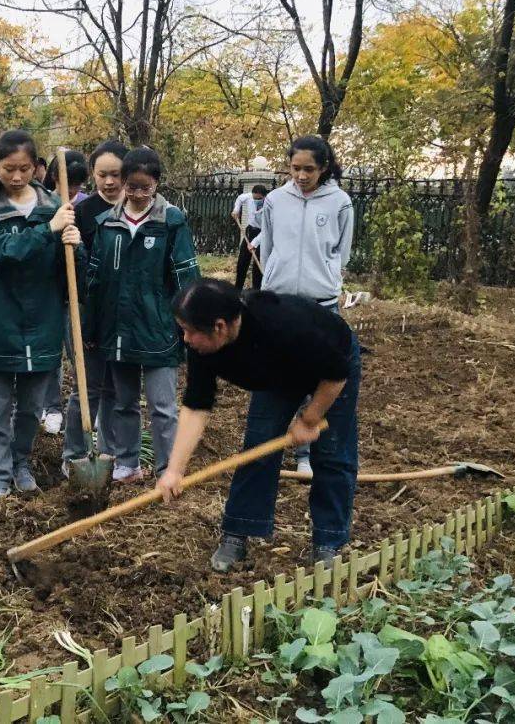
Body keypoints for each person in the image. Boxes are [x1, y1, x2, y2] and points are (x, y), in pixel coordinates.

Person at [158, 279, 361, 571]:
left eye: (190, 331)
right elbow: (196, 405)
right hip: (278, 374)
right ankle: (238, 532)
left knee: (332, 452)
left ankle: (328, 541)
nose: (185, 338)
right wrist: (175, 470)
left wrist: (309, 419)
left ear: (219, 327)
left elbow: (337, 372)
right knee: (260, 444)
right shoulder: (203, 347)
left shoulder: (283, 326)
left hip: (332, 363)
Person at [0, 130, 80, 503]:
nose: (16, 177)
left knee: (32, 407)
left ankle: (21, 463)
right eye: (8, 168)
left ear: (37, 168)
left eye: (24, 169)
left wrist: (76, 245)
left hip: (41, 319)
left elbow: (72, 267)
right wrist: (48, 230)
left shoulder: (54, 204)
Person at [82, 146, 199, 482]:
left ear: (156, 185)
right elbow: (95, 280)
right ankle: (127, 463)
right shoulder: (107, 224)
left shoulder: (171, 223)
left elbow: (186, 279)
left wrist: (186, 325)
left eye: (144, 188)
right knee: (123, 402)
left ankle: (167, 468)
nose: (136, 194)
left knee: (163, 407)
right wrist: (91, 329)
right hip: (118, 329)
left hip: (158, 328)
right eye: (130, 187)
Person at [260, 136, 354, 476]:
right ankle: (267, 454)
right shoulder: (273, 200)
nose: (301, 176)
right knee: (278, 380)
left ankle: (305, 453)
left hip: (321, 305)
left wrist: (326, 277)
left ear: (324, 167)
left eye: (309, 170)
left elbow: (341, 252)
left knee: (318, 383)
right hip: (281, 303)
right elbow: (268, 247)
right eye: (296, 168)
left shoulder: (340, 203)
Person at [61, 139, 128, 470]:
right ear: (93, 175)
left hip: (124, 316)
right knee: (85, 389)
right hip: (88, 312)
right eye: (103, 175)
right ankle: (73, 454)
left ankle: (109, 452)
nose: (110, 182)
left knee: (115, 388)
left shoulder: (135, 208)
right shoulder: (81, 214)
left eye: (116, 174)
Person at [37, 150, 91, 434]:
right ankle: (51, 407)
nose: (73, 190)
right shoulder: (42, 204)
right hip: (47, 291)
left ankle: (82, 409)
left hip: (74, 292)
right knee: (51, 352)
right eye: (70, 182)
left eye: (79, 184)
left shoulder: (82, 207)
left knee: (77, 350)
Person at [232, 184, 267, 291]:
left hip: (263, 234)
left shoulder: (270, 205)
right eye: (254, 198)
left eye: (259, 199)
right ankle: (237, 289)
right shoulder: (248, 197)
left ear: (264, 197)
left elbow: (268, 228)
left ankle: (256, 291)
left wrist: (255, 243)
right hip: (250, 231)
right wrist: (236, 210)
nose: (256, 200)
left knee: (258, 264)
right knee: (242, 261)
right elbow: (239, 198)